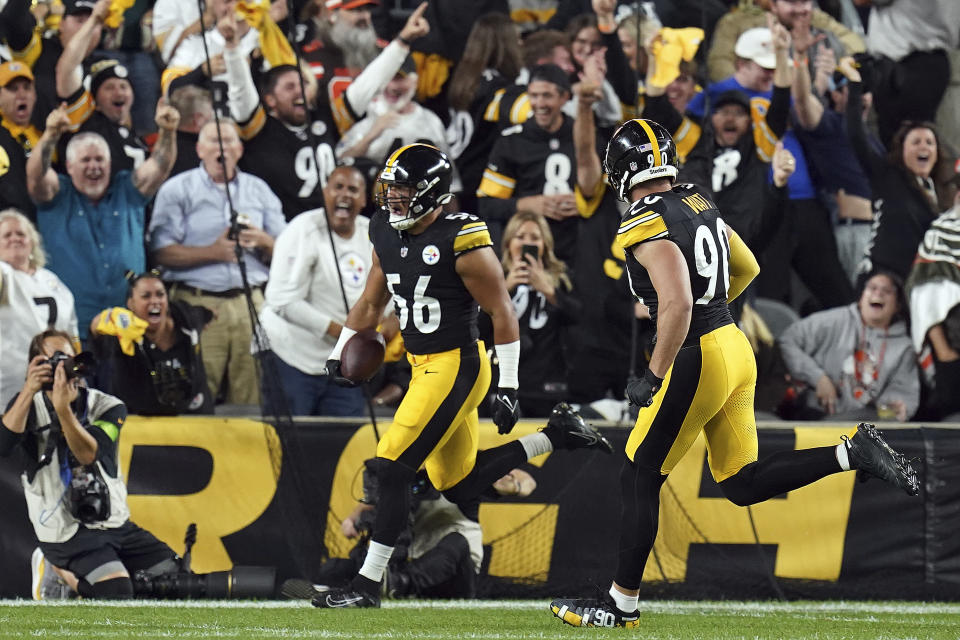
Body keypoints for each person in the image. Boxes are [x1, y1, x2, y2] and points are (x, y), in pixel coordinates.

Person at [548, 119, 919, 628]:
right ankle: (850, 451)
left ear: (622, 169)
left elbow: (676, 306)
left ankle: (621, 604)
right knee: (740, 482)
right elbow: (746, 267)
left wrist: (654, 374)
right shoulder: (699, 201)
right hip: (732, 345)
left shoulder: (643, 221)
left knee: (639, 472)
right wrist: (714, 314)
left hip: (696, 352)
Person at [312, 145, 612, 608]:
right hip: (422, 365)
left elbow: (502, 311)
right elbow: (372, 304)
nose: (392, 198)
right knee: (459, 484)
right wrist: (339, 351)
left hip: (456, 363)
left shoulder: (464, 237)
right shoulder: (385, 232)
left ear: (430, 193)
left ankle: (367, 586)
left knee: (391, 467)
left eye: (403, 190)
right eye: (390, 189)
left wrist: (507, 386)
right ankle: (555, 435)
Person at [0, 329, 179, 599]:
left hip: (114, 523)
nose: (65, 368)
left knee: (176, 582)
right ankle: (63, 573)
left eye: (70, 359)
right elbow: (3, 446)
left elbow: (87, 454)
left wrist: (64, 411)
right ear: (37, 365)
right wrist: (29, 389)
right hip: (65, 531)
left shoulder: (108, 406)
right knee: (116, 591)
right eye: (56, 360)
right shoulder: (26, 406)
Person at [149, 119, 286, 406]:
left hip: (251, 303)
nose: (220, 147)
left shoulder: (258, 189)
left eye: (227, 140)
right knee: (199, 389)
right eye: (213, 140)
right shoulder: (177, 189)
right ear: (199, 149)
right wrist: (213, 252)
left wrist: (264, 241)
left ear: (239, 149)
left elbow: (286, 251)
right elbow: (160, 252)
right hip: (197, 304)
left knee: (252, 389)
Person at [25, 102, 180, 342]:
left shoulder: (127, 191)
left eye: (99, 159)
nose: (94, 166)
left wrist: (168, 132)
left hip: (128, 330)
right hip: (73, 331)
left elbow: (160, 167)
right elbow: (35, 175)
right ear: (69, 166)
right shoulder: (56, 196)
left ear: (109, 164)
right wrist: (51, 135)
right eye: (86, 160)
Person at [258, 165, 375, 416]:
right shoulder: (301, 230)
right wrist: (342, 334)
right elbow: (281, 300)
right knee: (293, 445)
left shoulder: (373, 235)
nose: (345, 195)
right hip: (292, 357)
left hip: (346, 364)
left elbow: (392, 295)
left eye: (353, 189)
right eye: (338, 187)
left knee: (343, 443)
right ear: (325, 194)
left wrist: (386, 327)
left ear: (364, 199)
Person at [839, 56, 952, 284]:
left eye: (929, 143)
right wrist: (854, 85)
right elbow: (855, 135)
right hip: (881, 280)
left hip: (918, 283)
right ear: (901, 151)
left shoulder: (941, 193)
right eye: (916, 142)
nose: (924, 147)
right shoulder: (888, 176)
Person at [777, 270, 919, 422]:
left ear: (897, 306)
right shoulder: (834, 321)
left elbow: (902, 391)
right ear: (861, 298)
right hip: (815, 416)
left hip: (866, 424)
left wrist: (895, 406)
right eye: (872, 288)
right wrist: (818, 378)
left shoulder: (904, 347)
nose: (878, 294)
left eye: (887, 291)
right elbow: (787, 340)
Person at [88, 272, 214, 416]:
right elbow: (96, 332)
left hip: (193, 419)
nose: (155, 301)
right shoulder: (122, 333)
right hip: (138, 425)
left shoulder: (186, 320)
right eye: (146, 296)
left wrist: (210, 315)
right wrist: (106, 318)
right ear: (131, 303)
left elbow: (204, 314)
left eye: (160, 294)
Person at [497, 210, 580, 417]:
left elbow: (579, 316)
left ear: (545, 244)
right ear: (508, 243)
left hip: (548, 381)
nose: (528, 243)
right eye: (520, 237)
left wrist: (548, 289)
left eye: (535, 237)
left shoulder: (562, 276)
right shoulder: (495, 276)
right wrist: (504, 289)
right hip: (506, 380)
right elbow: (479, 325)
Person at [0, 210, 78, 408]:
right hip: (7, 386)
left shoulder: (53, 282)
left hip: (53, 385)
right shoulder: (4, 274)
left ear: (32, 241)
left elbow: (71, 336)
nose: (14, 239)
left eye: (20, 234)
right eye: (6, 235)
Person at [0, 61, 40, 219]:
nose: (21, 94)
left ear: (35, 94)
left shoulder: (45, 132)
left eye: (27, 87)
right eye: (12, 89)